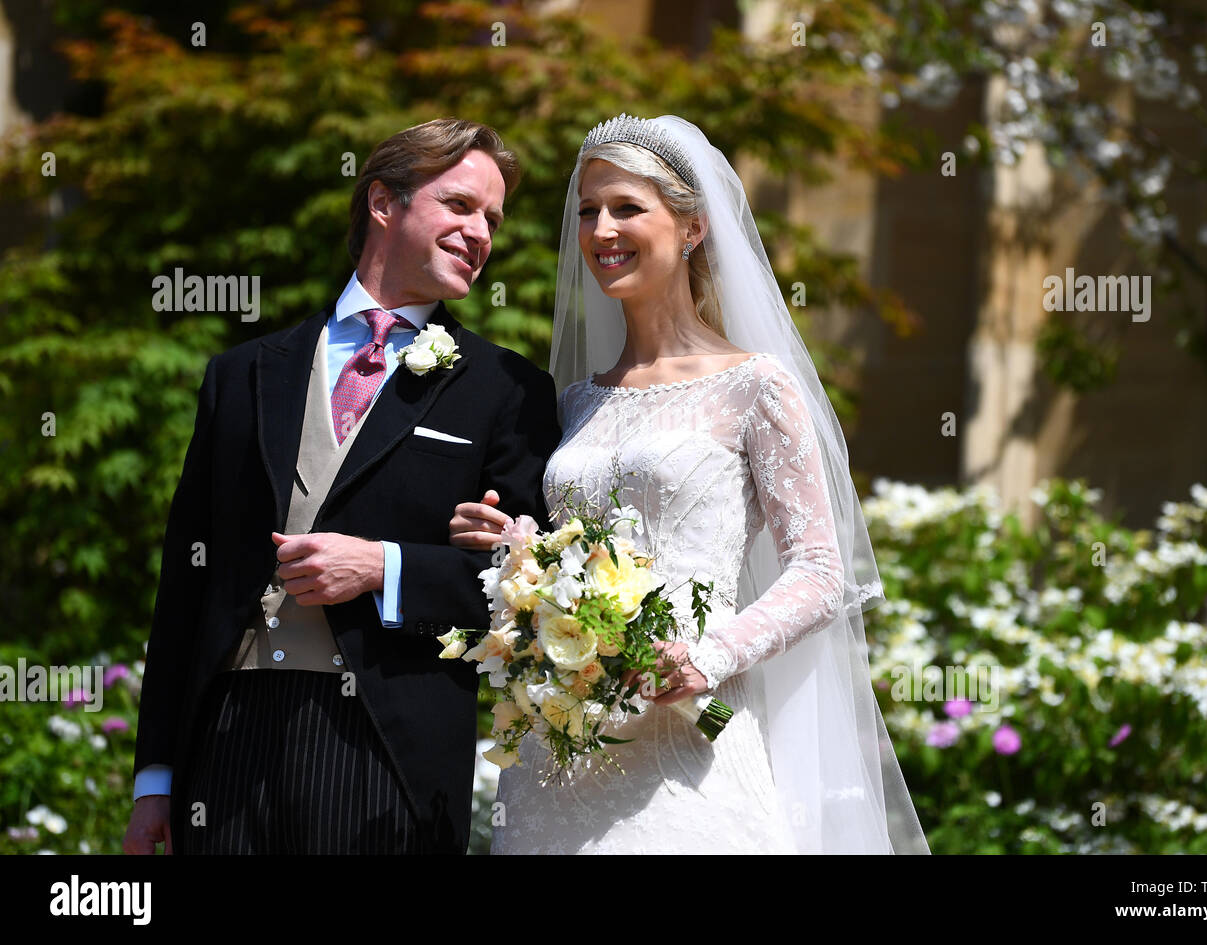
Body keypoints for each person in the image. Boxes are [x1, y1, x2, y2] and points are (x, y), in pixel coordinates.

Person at [449, 114, 929, 854]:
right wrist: (516, 549)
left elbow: (822, 570)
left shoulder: (756, 386)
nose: (601, 229)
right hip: (558, 762)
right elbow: (568, 556)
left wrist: (709, 654)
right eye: (587, 211)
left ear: (694, 227)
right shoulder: (572, 402)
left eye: (626, 208)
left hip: (689, 753)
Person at [123, 118, 560, 855]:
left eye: (492, 218)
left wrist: (382, 566)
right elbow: (185, 586)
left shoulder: (508, 389)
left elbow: (527, 591)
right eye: (460, 205)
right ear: (383, 203)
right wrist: (155, 777)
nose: (481, 231)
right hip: (226, 748)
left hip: (387, 761)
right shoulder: (242, 374)